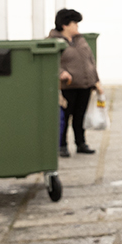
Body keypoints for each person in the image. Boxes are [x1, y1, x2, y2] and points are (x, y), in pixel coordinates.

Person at [47, 8, 102, 158]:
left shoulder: (80, 39)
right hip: (67, 87)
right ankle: (62, 145)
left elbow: (90, 60)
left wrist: (96, 81)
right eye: (74, 23)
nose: (77, 26)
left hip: (84, 85)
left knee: (80, 117)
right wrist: (61, 73)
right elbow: (50, 63)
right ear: (65, 25)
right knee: (65, 118)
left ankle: (80, 143)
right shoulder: (53, 41)